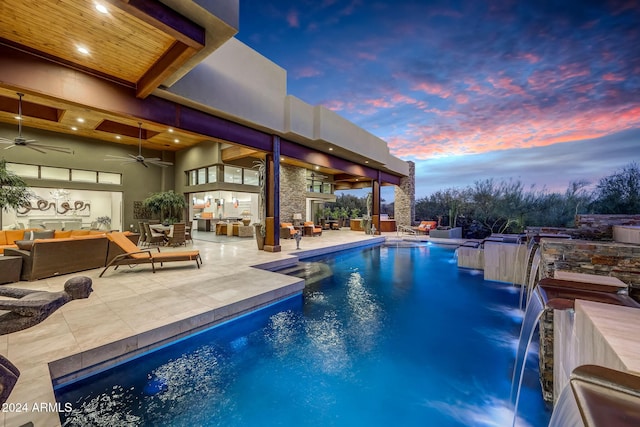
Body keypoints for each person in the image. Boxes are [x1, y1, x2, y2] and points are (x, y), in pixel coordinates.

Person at [0, 276, 93, 335]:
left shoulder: (48, 295)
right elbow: (10, 304)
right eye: (88, 288)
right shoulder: (49, 303)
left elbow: (11, 292)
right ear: (78, 290)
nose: (91, 290)